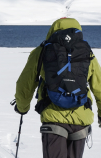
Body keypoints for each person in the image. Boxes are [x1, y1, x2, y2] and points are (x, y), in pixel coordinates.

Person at [14, 18, 101, 158]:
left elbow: (25, 83)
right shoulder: (86, 52)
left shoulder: (42, 51)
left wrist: (22, 107)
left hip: (53, 118)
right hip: (81, 119)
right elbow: (99, 86)